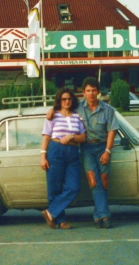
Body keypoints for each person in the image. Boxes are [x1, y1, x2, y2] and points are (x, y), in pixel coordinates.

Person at [47, 77, 119, 228]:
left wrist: (107, 151)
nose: (91, 93)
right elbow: (62, 108)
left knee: (104, 182)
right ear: (83, 93)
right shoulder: (77, 108)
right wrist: (51, 109)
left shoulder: (108, 110)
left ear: (98, 92)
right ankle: (105, 216)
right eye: (88, 90)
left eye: (94, 90)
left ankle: (99, 215)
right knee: (94, 182)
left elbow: (112, 131)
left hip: (103, 147)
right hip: (86, 149)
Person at [40, 88, 86, 229]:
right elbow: (46, 136)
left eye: (69, 99)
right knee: (55, 187)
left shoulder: (77, 116)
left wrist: (72, 136)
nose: (66, 101)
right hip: (56, 150)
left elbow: (83, 137)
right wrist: (43, 156)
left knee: (74, 187)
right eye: (64, 99)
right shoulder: (53, 116)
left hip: (73, 151)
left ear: (72, 100)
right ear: (59, 100)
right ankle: (60, 220)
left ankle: (50, 212)